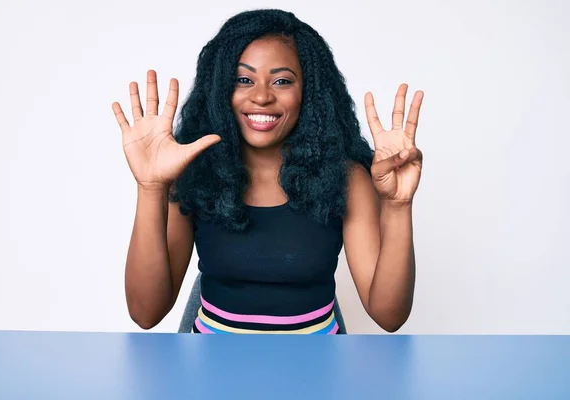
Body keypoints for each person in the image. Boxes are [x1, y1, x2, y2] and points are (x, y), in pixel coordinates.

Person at [112, 9, 424, 334]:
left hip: (315, 373)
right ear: (221, 90)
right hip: (212, 374)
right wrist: (150, 188)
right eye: (244, 80)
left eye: (282, 81)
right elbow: (145, 314)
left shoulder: (346, 178)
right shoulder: (194, 173)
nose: (261, 96)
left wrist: (398, 206)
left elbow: (390, 317)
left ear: (309, 93)